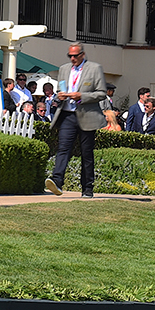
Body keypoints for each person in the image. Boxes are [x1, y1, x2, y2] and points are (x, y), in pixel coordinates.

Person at [45, 43, 106, 198]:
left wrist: (82, 96)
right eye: (69, 56)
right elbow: (60, 89)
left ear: (82, 55)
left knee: (86, 153)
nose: (72, 59)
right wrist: (60, 95)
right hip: (67, 114)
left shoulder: (94, 68)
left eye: (75, 56)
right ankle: (57, 180)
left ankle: (87, 188)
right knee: (63, 148)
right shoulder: (64, 69)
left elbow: (101, 93)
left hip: (87, 115)